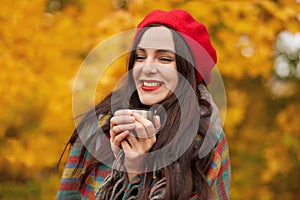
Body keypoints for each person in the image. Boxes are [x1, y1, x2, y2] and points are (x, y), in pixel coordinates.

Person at [56, 9, 231, 200]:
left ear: (187, 70)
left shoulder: (205, 140)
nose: (147, 68)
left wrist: (136, 171)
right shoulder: (100, 126)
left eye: (164, 59)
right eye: (140, 57)